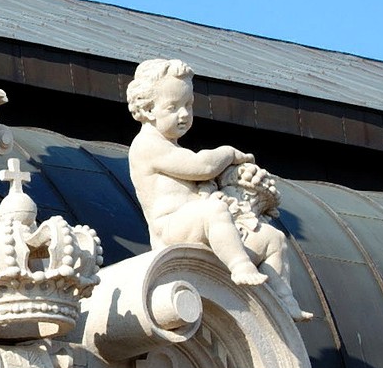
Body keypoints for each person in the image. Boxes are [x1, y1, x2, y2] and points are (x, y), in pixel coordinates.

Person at [127, 59, 310, 321]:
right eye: (173, 107)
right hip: (170, 230)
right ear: (148, 109)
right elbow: (201, 166)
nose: (184, 114)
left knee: (272, 239)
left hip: (203, 226)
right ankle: (239, 265)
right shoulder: (146, 145)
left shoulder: (173, 148)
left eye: (188, 105)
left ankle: (284, 301)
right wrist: (228, 153)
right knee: (214, 209)